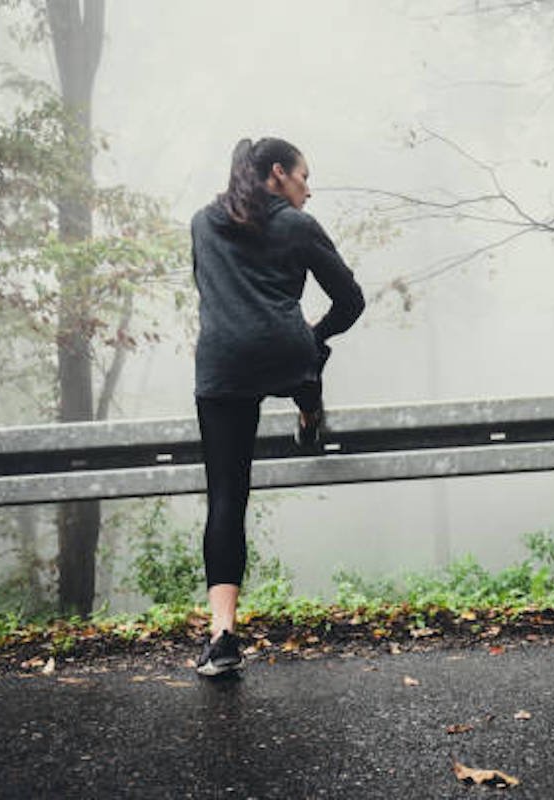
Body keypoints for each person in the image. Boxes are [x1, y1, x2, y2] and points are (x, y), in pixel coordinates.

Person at [190, 137, 364, 676]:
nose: (309, 189)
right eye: (304, 177)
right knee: (307, 358)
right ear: (277, 173)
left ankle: (222, 637)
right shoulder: (295, 225)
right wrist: (312, 332)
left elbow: (207, 288)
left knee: (227, 497)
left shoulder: (202, 221)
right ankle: (310, 416)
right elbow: (351, 300)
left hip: (223, 367)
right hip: (286, 354)